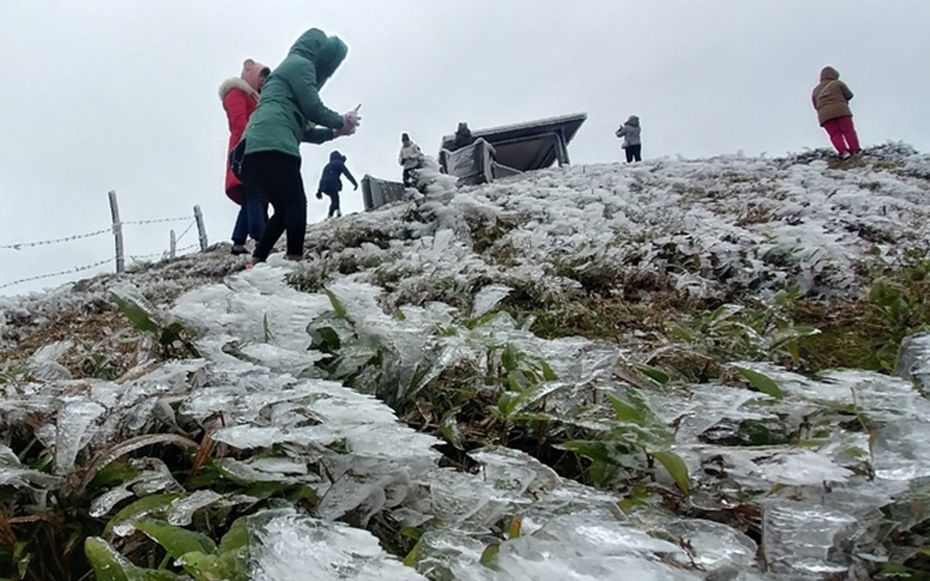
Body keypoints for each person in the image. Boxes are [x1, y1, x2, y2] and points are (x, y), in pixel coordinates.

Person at [233, 27, 361, 263]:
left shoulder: (282, 82)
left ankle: (257, 259)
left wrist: (335, 132)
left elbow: (302, 130)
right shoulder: (300, 64)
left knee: (282, 209)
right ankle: (295, 259)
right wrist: (340, 120)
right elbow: (314, 108)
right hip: (275, 147)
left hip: (252, 152)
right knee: (296, 202)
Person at [220, 59, 270, 255]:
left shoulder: (255, 98)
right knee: (255, 195)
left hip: (254, 149)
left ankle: (239, 242)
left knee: (252, 196)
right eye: (261, 76)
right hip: (247, 151)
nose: (264, 81)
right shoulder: (236, 93)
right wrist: (251, 142)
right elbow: (238, 122)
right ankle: (261, 239)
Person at [812, 66, 860, 159]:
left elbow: (815, 105)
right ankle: (855, 150)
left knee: (834, 134)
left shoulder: (815, 90)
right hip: (841, 110)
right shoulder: (838, 83)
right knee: (848, 131)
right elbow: (849, 95)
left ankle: (844, 152)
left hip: (824, 115)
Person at [315, 150, 357, 218]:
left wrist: (319, 191)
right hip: (332, 183)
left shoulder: (327, 166)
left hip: (324, 185)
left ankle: (334, 212)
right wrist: (355, 183)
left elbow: (322, 178)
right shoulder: (339, 163)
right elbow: (347, 174)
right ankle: (334, 213)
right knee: (335, 198)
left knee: (334, 198)